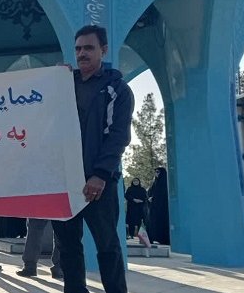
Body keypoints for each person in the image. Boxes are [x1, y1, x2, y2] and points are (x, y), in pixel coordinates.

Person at [50, 25, 134, 293]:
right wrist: (52, 80)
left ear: (103, 50)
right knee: (68, 247)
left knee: (107, 246)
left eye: (88, 48)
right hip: (65, 181)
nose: (82, 54)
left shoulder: (117, 90)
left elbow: (118, 137)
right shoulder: (64, 84)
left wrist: (100, 174)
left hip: (98, 184)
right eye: (78, 49)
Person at [147, 167, 169, 245]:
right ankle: (153, 238)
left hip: (162, 207)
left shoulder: (165, 183)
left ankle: (162, 239)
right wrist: (149, 197)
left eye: (158, 172)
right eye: (155, 172)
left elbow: (162, 194)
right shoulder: (154, 182)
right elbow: (150, 192)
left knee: (161, 222)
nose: (156, 173)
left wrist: (154, 198)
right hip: (154, 206)